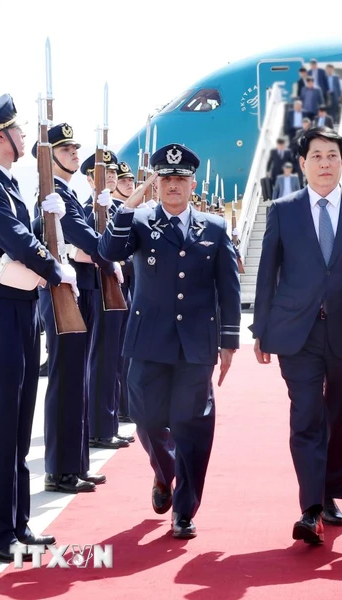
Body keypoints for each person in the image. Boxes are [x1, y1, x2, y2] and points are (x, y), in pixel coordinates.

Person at [251, 127, 342, 545]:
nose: (325, 163)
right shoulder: (283, 209)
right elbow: (266, 275)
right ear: (302, 163)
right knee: (306, 416)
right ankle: (310, 508)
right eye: (316, 156)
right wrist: (261, 329)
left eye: (332, 155)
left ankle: (330, 493)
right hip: (298, 333)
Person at [99, 143, 241, 539]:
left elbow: (228, 289)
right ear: (156, 182)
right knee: (146, 421)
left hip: (196, 345)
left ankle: (185, 510)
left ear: (192, 182)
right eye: (166, 179)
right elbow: (107, 251)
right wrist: (128, 206)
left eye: (180, 179)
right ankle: (165, 473)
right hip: (148, 342)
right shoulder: (140, 221)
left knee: (192, 426)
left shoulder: (213, 228)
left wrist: (228, 342)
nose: (173, 186)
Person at [0, 94, 78, 561]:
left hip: (19, 308)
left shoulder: (5, 184)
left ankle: (17, 521)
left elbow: (26, 232)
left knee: (18, 421)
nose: (25, 136)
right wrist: (56, 269)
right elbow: (15, 240)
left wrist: (54, 216)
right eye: (17, 130)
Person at [31, 123, 116, 494]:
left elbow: (88, 236)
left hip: (73, 290)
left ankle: (75, 463)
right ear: (48, 158)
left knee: (76, 380)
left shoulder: (64, 194)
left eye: (74, 149)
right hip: (58, 292)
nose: (75, 154)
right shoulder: (49, 196)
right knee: (65, 380)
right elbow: (82, 240)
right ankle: (58, 469)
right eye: (65, 150)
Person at [80, 152, 131, 450]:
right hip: (98, 290)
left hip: (115, 288)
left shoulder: (111, 208)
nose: (111, 177)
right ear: (90, 178)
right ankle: (99, 427)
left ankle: (108, 423)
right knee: (102, 359)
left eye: (113, 173)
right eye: (104, 173)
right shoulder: (90, 208)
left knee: (114, 359)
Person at [113, 161, 137, 424]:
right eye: (123, 180)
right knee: (118, 354)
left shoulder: (129, 211)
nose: (129, 184)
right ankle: (122, 406)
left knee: (128, 352)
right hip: (118, 287)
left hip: (131, 287)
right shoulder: (117, 211)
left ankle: (127, 404)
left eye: (131, 180)